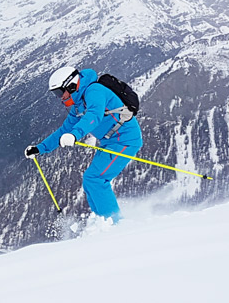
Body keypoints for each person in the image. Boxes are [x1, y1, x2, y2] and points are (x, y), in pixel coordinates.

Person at [24, 67, 143, 223]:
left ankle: (115, 224)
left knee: (96, 178)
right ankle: (102, 222)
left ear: (71, 86)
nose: (60, 98)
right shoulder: (78, 106)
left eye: (60, 93)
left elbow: (95, 115)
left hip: (126, 141)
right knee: (90, 179)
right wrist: (40, 148)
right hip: (110, 142)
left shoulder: (95, 91)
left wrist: (75, 134)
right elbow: (64, 130)